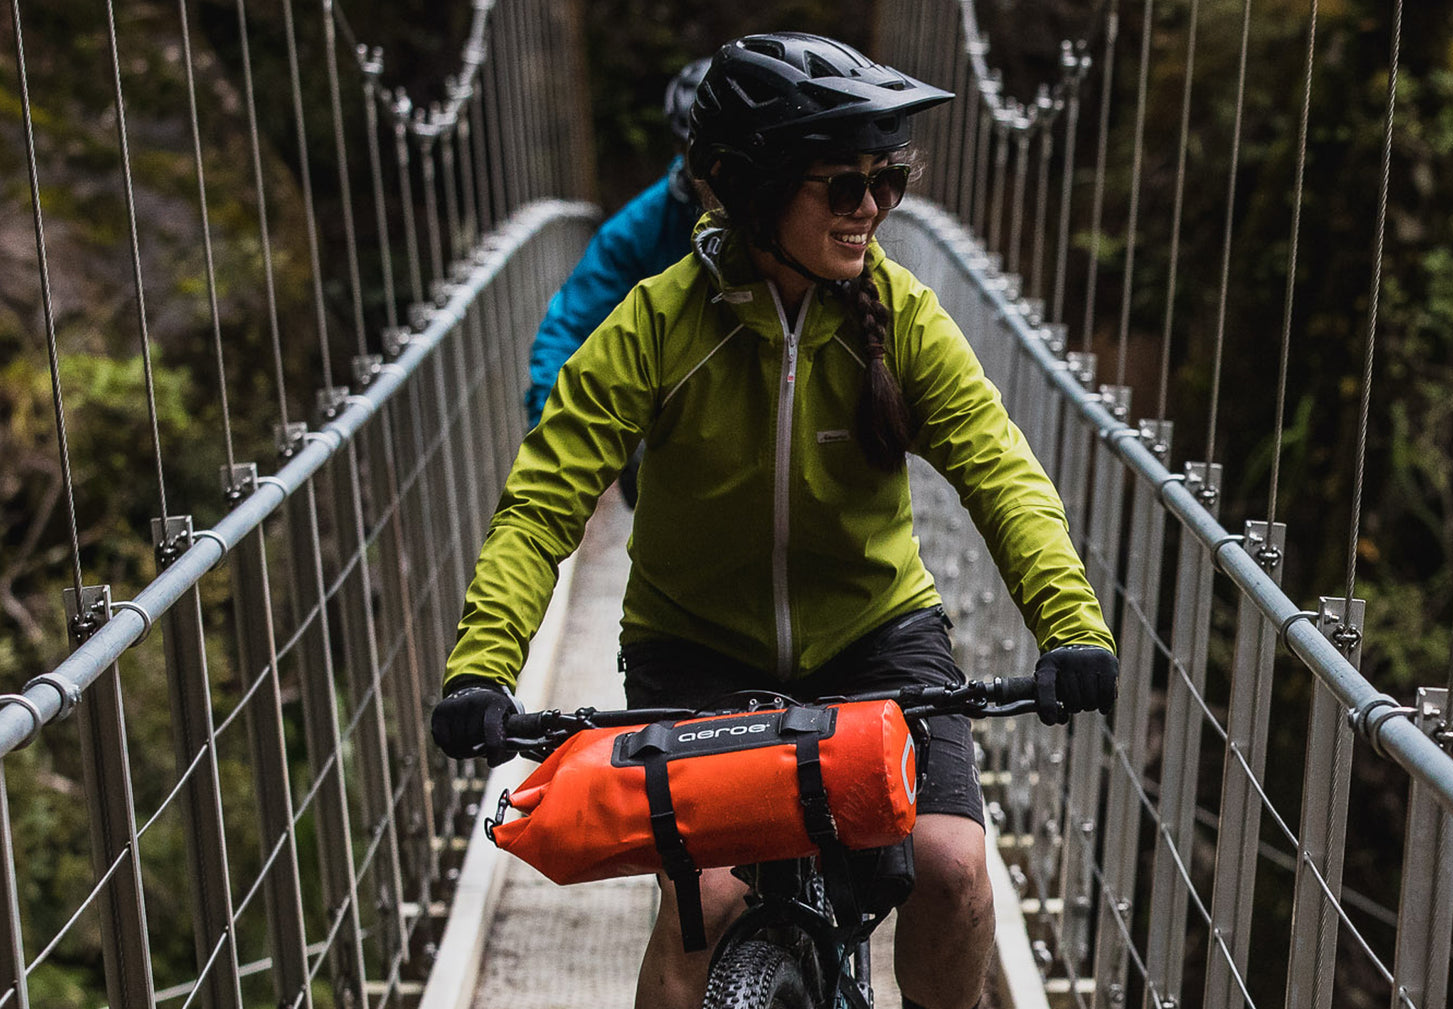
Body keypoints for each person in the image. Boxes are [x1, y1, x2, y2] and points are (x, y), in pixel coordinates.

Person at [432, 31, 1118, 1009]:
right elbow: (545, 499)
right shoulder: (656, 325)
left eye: (888, 181)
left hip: (877, 640)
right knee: (700, 902)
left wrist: (1072, 628)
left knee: (955, 867)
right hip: (696, 649)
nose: (872, 207)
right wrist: (482, 666)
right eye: (842, 186)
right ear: (752, 190)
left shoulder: (905, 317)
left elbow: (1000, 472)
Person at [523, 55, 710, 430]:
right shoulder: (638, 229)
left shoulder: (804, 215)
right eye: (702, 153)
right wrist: (549, 434)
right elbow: (570, 329)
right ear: (679, 149)